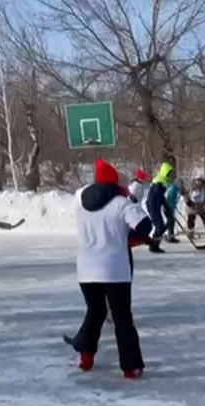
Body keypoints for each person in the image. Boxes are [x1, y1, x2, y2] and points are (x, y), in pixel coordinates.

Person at [67, 158, 152, 379]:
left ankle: (86, 357)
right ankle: (130, 366)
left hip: (86, 270)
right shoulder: (120, 203)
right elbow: (144, 225)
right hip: (114, 270)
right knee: (122, 317)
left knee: (95, 311)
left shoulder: (81, 202)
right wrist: (135, 238)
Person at [145, 162, 176, 253]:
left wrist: (166, 206)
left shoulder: (161, 180)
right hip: (153, 206)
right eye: (169, 173)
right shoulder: (159, 181)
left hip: (155, 205)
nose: (170, 175)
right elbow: (158, 197)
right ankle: (153, 245)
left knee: (160, 225)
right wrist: (164, 207)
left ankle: (154, 243)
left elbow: (161, 197)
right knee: (159, 226)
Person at [164, 178, 182, 243]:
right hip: (168, 208)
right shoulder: (173, 190)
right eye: (180, 184)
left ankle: (170, 236)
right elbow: (171, 201)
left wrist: (174, 207)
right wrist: (172, 209)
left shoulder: (174, 189)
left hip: (169, 208)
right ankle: (166, 235)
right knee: (170, 222)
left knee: (171, 222)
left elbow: (173, 201)